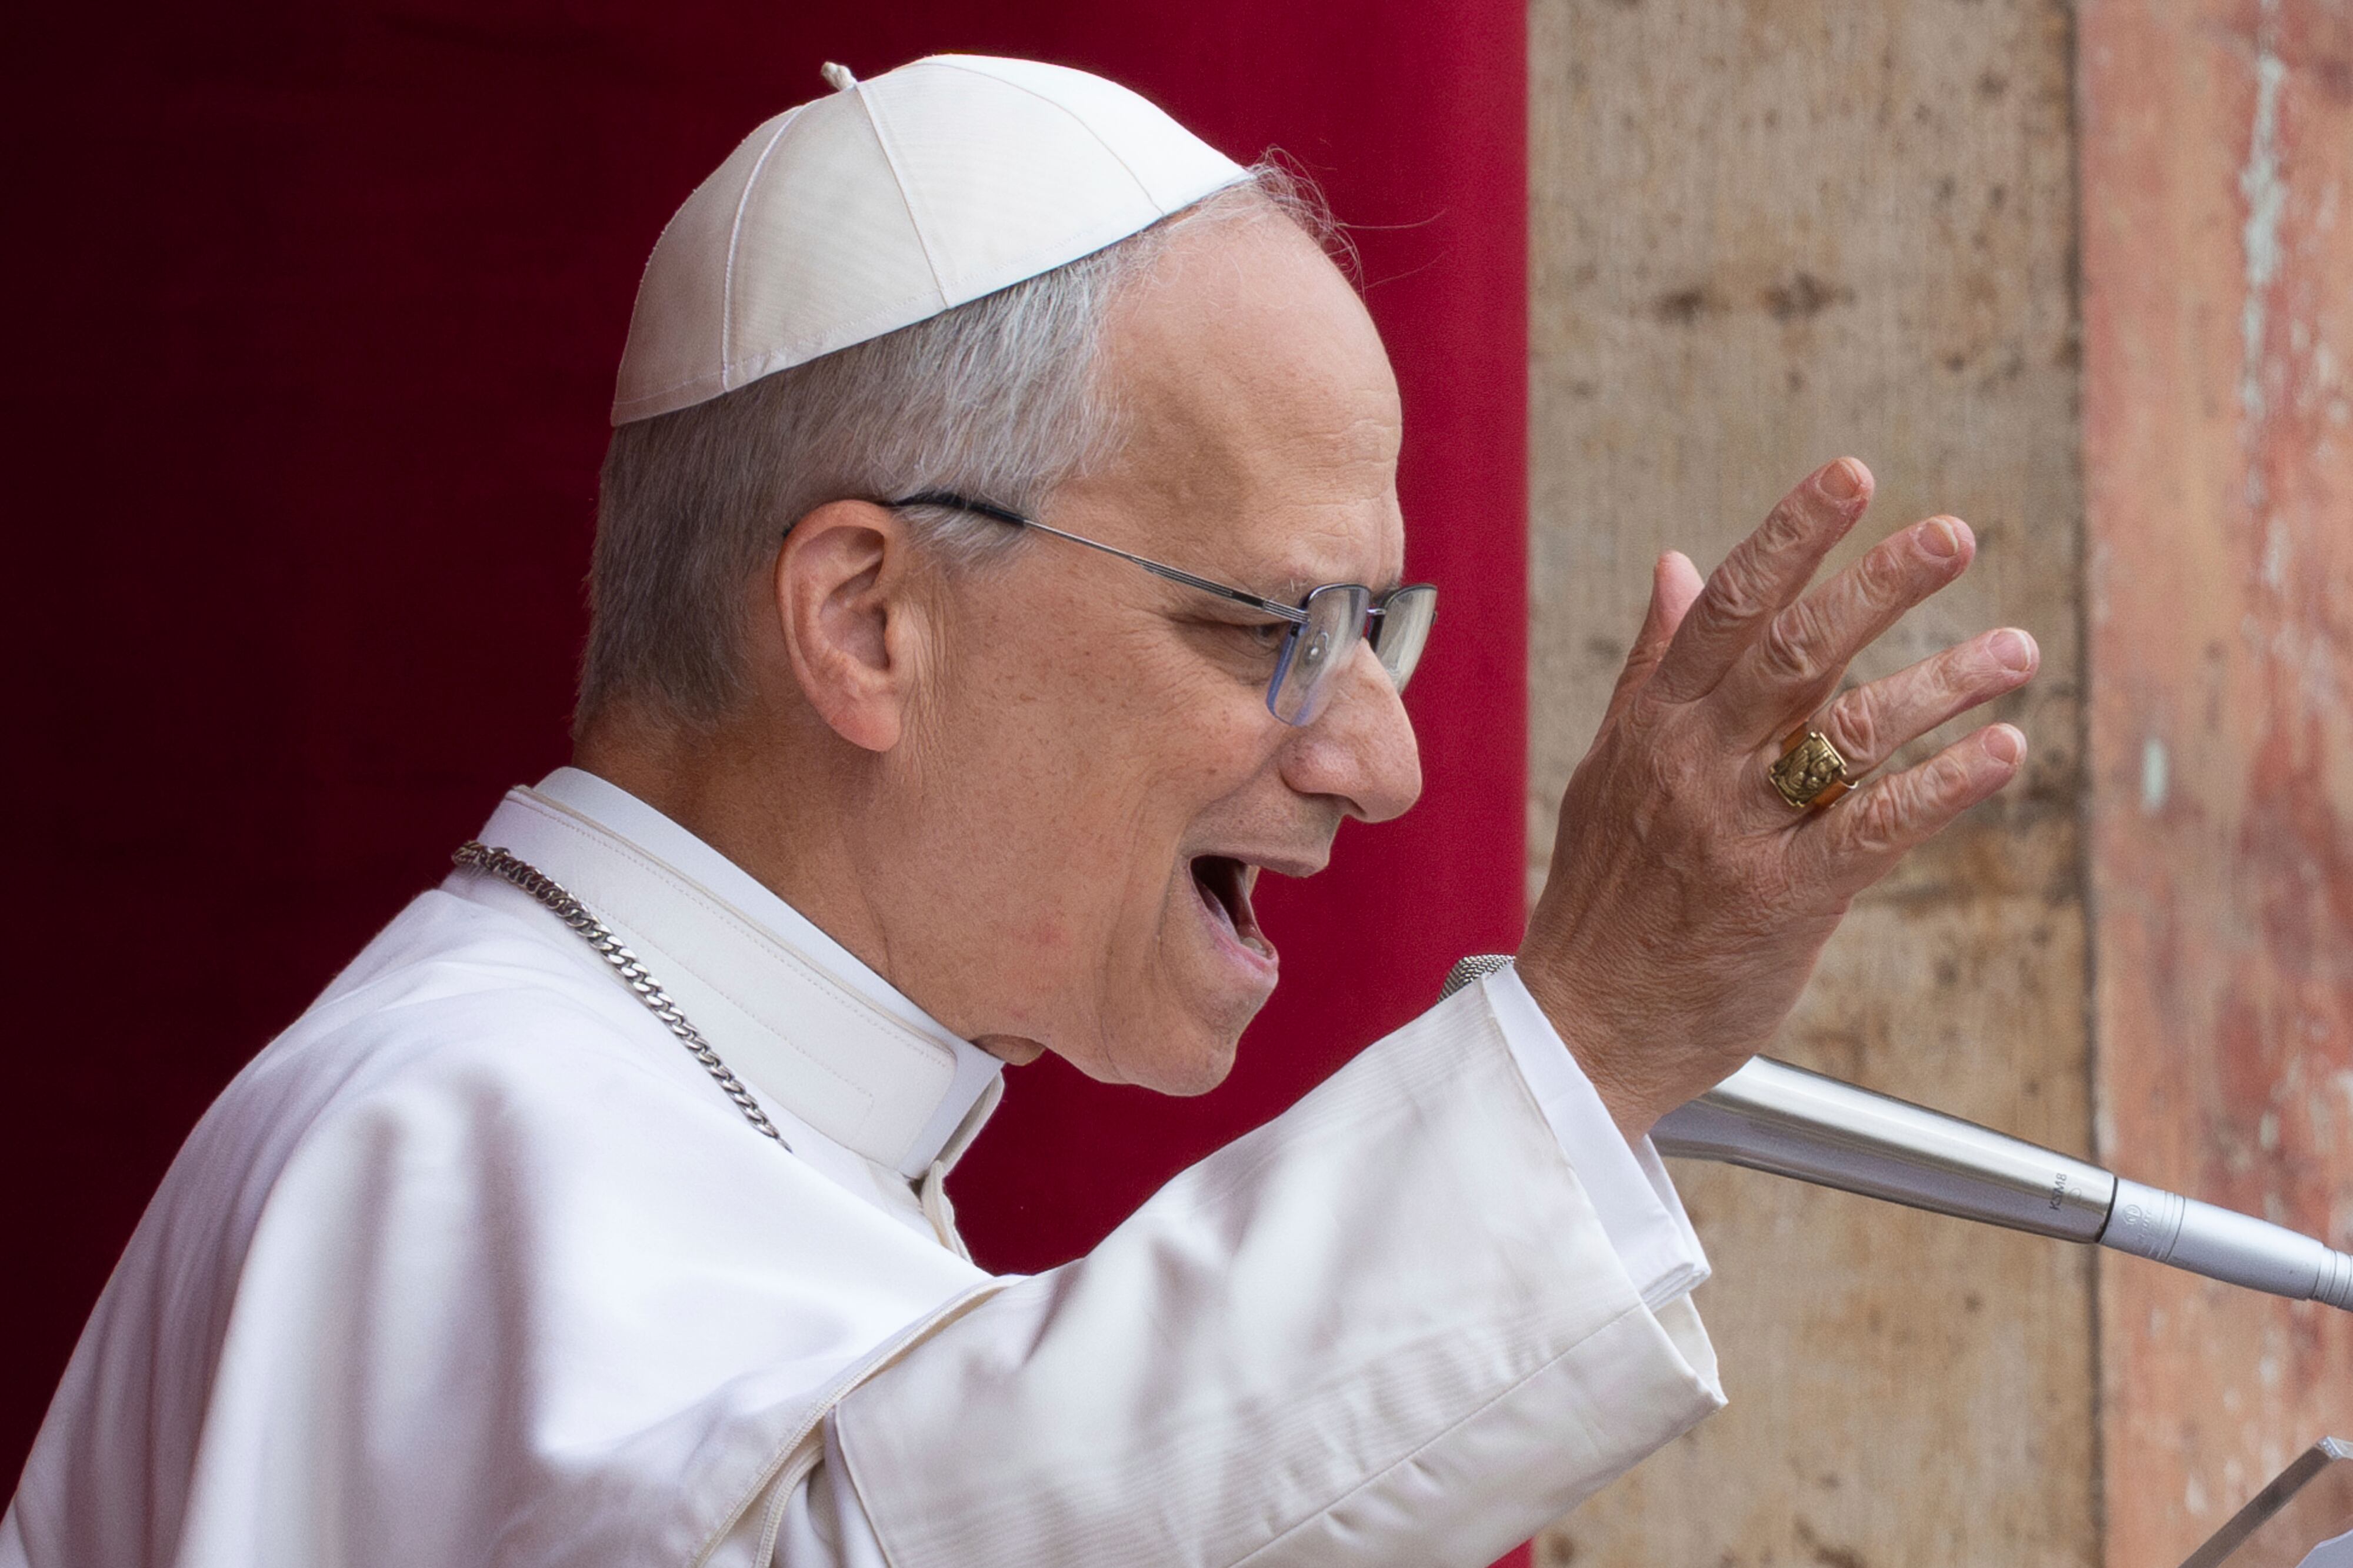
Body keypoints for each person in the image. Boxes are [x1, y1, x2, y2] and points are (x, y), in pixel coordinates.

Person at [0, 54, 2039, 1568]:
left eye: (1380, 625)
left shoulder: (729, 1114)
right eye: (1282, 624)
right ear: (868, 622)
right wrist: (1585, 1044)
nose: (1383, 759)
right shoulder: (455, 1128)